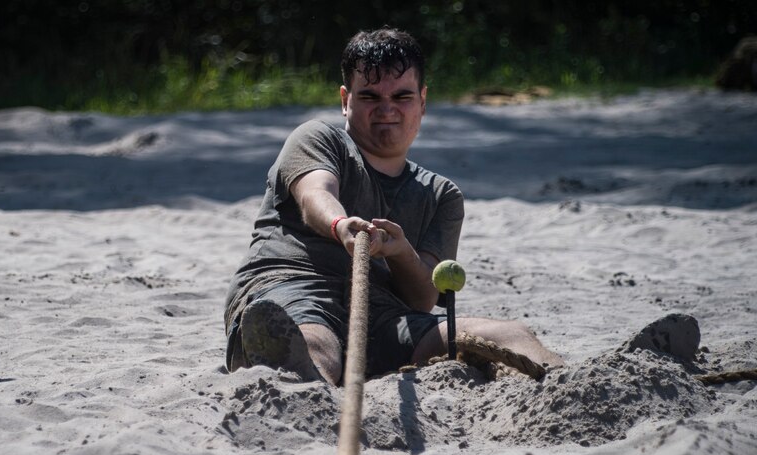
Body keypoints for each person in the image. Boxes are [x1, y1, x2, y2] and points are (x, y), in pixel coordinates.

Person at [224, 28, 562, 385]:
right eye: (370, 97)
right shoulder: (317, 138)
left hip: (385, 316)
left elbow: (421, 299)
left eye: (402, 96)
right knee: (316, 342)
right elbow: (314, 194)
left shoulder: (442, 195)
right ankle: (293, 373)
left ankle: (565, 383)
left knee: (509, 334)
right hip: (294, 285)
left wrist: (401, 253)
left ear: (422, 100)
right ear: (345, 99)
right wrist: (341, 225)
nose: (387, 110)